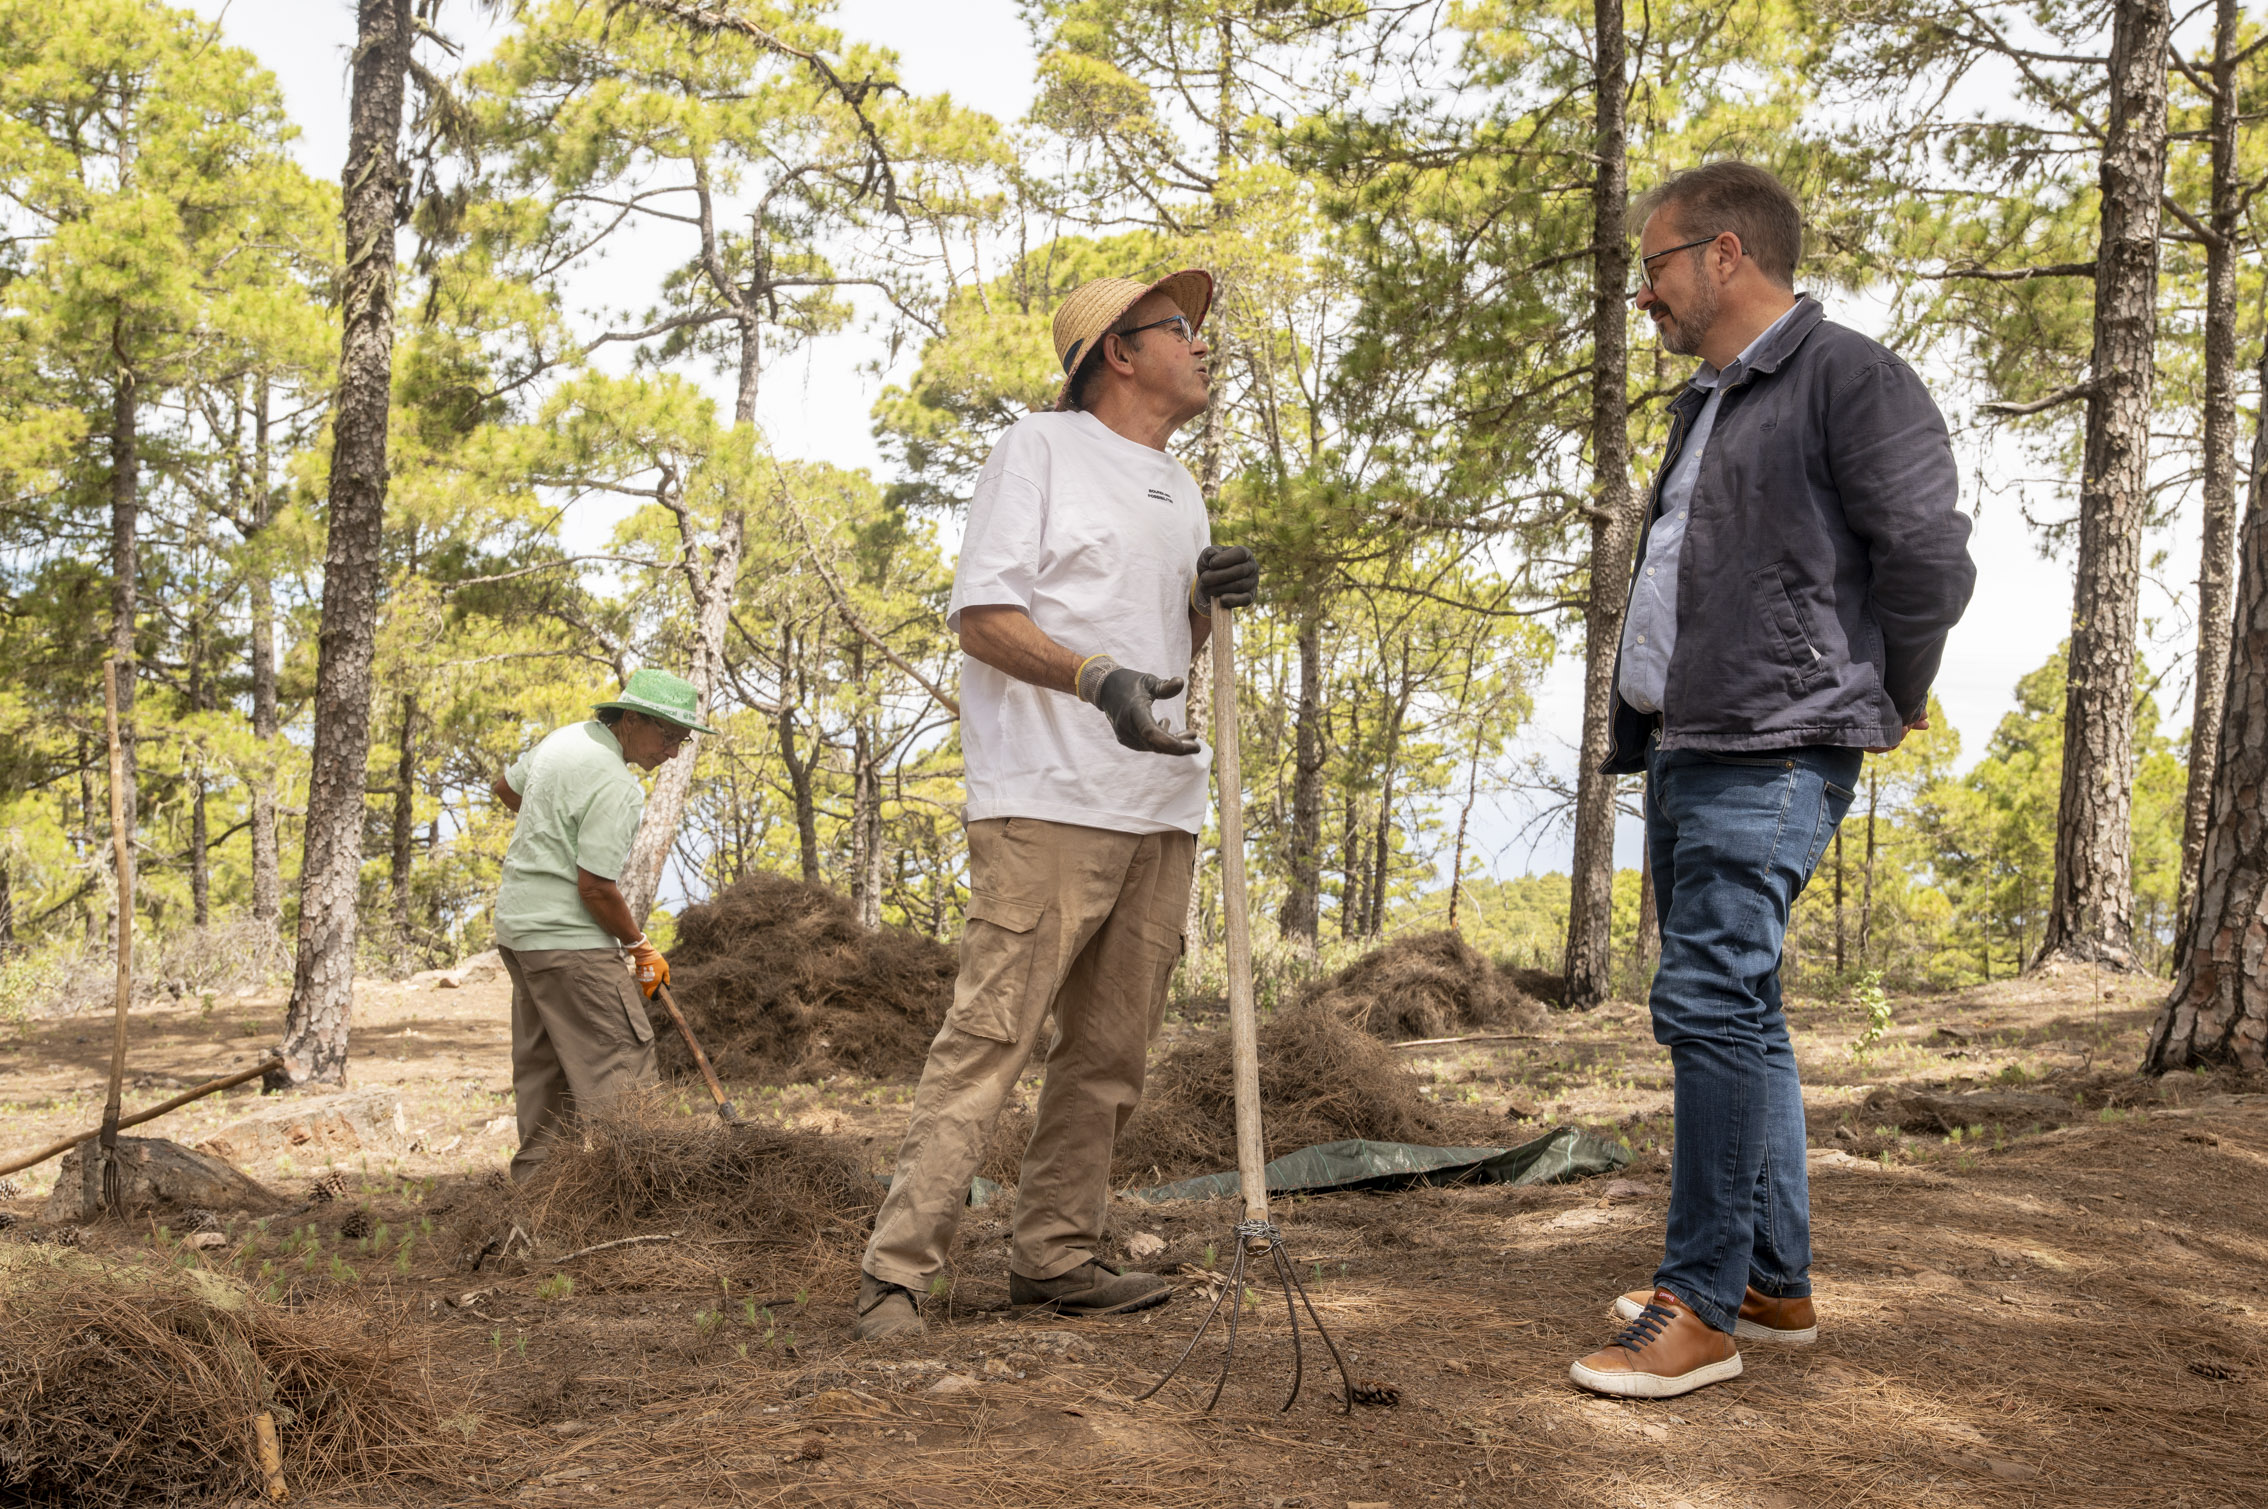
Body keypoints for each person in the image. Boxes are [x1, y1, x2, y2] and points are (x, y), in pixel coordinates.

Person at [1569, 162, 1976, 1399]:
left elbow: (1928, 561)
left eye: (1655, 267)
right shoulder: (1709, 400)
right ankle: (1769, 1282)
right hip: (1695, 737)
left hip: (1778, 739)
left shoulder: (1851, 375)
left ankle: (1697, 1308)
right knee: (1744, 1010)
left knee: (1705, 1003)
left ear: (1726, 254)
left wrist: (1889, 690)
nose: (1645, 294)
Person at [851, 268, 1262, 1341]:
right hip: (1049, 798)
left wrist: (1208, 605)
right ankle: (898, 1276)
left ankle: (1056, 1256)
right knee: (992, 1036)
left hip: (1158, 805)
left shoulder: (1180, 485)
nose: (1203, 344)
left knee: (1109, 1055)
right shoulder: (1037, 449)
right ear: (1118, 354)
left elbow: (1176, 650)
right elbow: (982, 617)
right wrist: (1093, 679)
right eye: (1182, 329)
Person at [488, 669, 716, 1181]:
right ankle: (639, 1201)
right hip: (570, 944)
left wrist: (550, 827)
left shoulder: (563, 741)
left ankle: (540, 1205)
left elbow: (505, 788)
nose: (674, 752)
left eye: (682, 741)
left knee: (546, 1074)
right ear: (632, 719)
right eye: (669, 736)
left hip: (521, 933)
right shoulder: (618, 786)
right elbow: (595, 888)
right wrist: (639, 947)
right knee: (623, 1066)